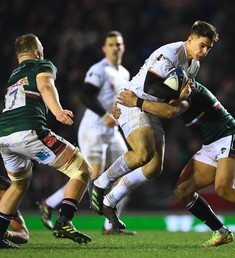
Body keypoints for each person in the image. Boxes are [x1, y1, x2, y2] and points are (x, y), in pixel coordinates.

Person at [114, 81, 235, 248]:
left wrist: (136, 102)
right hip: (211, 144)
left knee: (223, 188)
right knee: (183, 191)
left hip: (231, 137)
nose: (187, 86)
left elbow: (170, 111)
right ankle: (220, 232)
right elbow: (148, 99)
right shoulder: (172, 93)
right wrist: (120, 106)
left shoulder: (189, 94)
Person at [90, 21, 217, 230]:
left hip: (149, 106)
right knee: (142, 154)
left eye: (208, 48)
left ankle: (110, 201)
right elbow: (151, 86)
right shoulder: (171, 54)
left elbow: (175, 100)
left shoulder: (194, 64)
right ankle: (100, 183)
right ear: (190, 40)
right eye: (202, 45)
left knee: (153, 168)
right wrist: (179, 96)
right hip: (132, 101)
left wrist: (181, 100)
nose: (204, 51)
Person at [0, 33, 93, 249]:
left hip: (4, 136)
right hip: (29, 131)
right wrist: (57, 111)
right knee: (82, 169)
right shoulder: (41, 64)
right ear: (36, 52)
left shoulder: (13, 76)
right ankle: (64, 221)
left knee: (18, 185)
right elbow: (45, 85)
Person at [37, 31, 136, 235]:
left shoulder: (124, 73)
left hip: (112, 129)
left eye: (119, 44)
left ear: (123, 47)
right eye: (111, 44)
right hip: (94, 127)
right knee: (93, 174)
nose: (116, 48)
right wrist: (103, 115)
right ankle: (49, 204)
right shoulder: (99, 69)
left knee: (129, 171)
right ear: (104, 48)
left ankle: (110, 226)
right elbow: (85, 95)